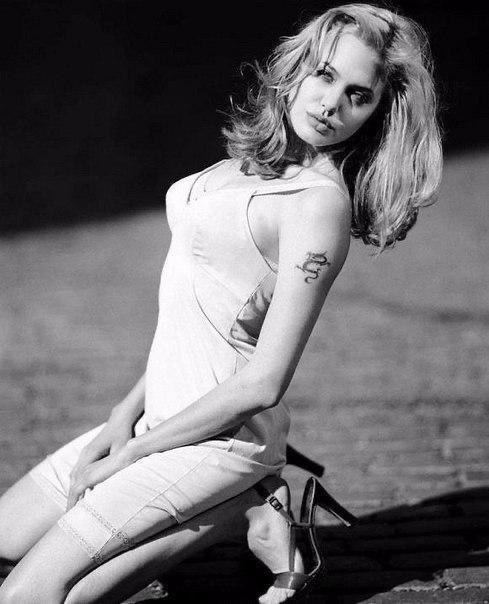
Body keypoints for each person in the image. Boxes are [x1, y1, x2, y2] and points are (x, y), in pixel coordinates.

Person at [0, 3, 442, 603]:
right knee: (6, 539)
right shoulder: (250, 164)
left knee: (31, 595)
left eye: (358, 95)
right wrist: (123, 416)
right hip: (160, 418)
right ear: (297, 67)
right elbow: (201, 315)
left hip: (220, 442)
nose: (331, 104)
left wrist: (131, 456)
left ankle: (243, 496)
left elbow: (263, 382)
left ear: (376, 113)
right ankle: (252, 507)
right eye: (324, 74)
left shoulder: (317, 204)